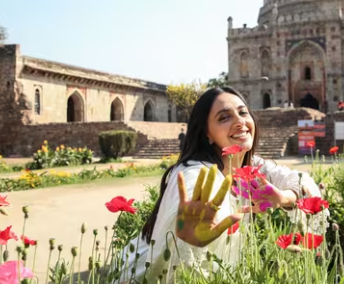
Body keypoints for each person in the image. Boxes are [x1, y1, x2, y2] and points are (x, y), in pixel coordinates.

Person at [115, 87, 328, 283]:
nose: (239, 122)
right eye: (224, 117)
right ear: (207, 133)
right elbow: (191, 188)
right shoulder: (194, 170)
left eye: (243, 113)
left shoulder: (249, 166)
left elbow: (299, 180)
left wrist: (284, 198)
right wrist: (188, 223)